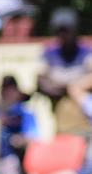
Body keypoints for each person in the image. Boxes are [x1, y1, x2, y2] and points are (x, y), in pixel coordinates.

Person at [37, 7, 92, 135]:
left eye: (66, 31)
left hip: (83, 115)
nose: (63, 35)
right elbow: (40, 79)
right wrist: (58, 88)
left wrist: (76, 87)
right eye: (60, 31)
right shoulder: (48, 52)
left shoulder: (86, 51)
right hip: (57, 111)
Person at [0, 75, 39, 174]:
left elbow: (33, 137)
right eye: (5, 91)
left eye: (11, 91)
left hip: (11, 160)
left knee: (9, 164)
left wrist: (18, 140)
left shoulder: (24, 112)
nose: (8, 94)